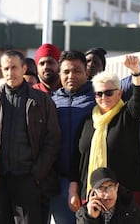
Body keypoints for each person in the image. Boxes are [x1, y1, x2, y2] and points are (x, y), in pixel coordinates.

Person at [0, 50, 61, 224]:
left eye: (14, 67)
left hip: (28, 182)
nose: (10, 73)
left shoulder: (42, 101)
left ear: (24, 68)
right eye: (6, 68)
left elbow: (52, 141)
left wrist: (36, 173)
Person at [69, 56, 140, 210]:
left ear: (119, 93)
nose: (103, 97)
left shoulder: (127, 116)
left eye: (109, 93)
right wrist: (73, 191)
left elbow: (139, 98)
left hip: (125, 198)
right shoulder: (87, 121)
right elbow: (77, 160)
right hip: (92, 197)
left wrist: (136, 73)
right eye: (99, 94)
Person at [51, 50, 96, 224]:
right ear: (59, 74)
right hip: (59, 182)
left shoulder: (99, 96)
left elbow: (130, 84)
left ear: (87, 72)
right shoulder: (51, 102)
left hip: (88, 182)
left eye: (77, 70)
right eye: (66, 72)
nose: (71, 76)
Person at [86, 29, 140, 101]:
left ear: (103, 70)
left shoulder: (111, 89)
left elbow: (133, 81)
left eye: (96, 62)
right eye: (87, 61)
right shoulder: (75, 88)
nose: (91, 64)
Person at [76, 167, 140, 224]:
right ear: (93, 192)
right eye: (102, 189)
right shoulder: (83, 214)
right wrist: (90, 218)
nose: (107, 194)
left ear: (117, 187)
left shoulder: (134, 212)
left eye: (111, 187)